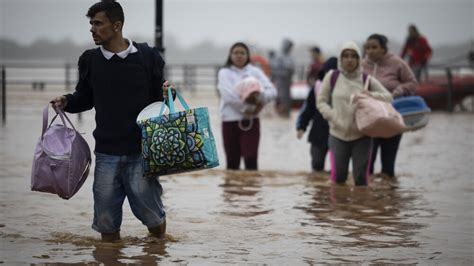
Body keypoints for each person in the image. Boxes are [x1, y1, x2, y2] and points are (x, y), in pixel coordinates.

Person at [50, 0, 169, 242]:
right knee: (106, 222)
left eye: (98, 23)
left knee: (152, 217)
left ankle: (157, 251)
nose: (92, 29)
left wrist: (168, 93)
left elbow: (159, 100)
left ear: (116, 25)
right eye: (91, 24)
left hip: (142, 152)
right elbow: (85, 97)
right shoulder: (89, 60)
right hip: (106, 152)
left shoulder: (147, 56)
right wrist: (67, 101)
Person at [316, 41, 392, 186]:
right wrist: (332, 116)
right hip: (337, 134)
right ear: (340, 59)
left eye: (353, 56)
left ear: (359, 59)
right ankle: (340, 207)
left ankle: (359, 207)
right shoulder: (332, 76)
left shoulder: (366, 79)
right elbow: (321, 101)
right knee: (338, 178)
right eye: (345, 56)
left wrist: (369, 94)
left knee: (360, 180)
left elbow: (388, 97)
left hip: (362, 135)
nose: (349, 60)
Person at [362, 34, 418, 178]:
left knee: (388, 167)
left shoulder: (397, 63)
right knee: (367, 167)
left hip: (392, 119)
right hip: (369, 121)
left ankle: (390, 196)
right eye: (367, 48)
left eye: (374, 47)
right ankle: (367, 198)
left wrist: (398, 91)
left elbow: (412, 82)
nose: (370, 51)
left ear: (383, 48)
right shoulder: (361, 65)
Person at [217, 42, 277, 170]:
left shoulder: (255, 72)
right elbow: (228, 96)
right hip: (229, 121)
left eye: (242, 53)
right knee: (232, 163)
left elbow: (272, 91)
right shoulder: (224, 72)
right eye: (236, 53)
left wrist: (258, 99)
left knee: (251, 160)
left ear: (247, 55)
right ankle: (232, 190)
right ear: (230, 55)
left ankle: (251, 189)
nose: (239, 56)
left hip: (251, 122)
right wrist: (248, 108)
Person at [296, 57, 337, 173]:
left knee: (337, 169)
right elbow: (307, 110)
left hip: (339, 134)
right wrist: (301, 127)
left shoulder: (344, 90)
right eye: (327, 73)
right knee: (317, 165)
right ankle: (318, 190)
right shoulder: (316, 88)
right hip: (318, 134)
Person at [271, 38, 295, 118]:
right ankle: (280, 114)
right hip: (280, 82)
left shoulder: (290, 57)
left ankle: (286, 114)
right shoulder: (279, 57)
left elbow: (292, 69)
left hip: (288, 83)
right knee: (280, 98)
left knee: (287, 99)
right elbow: (274, 70)